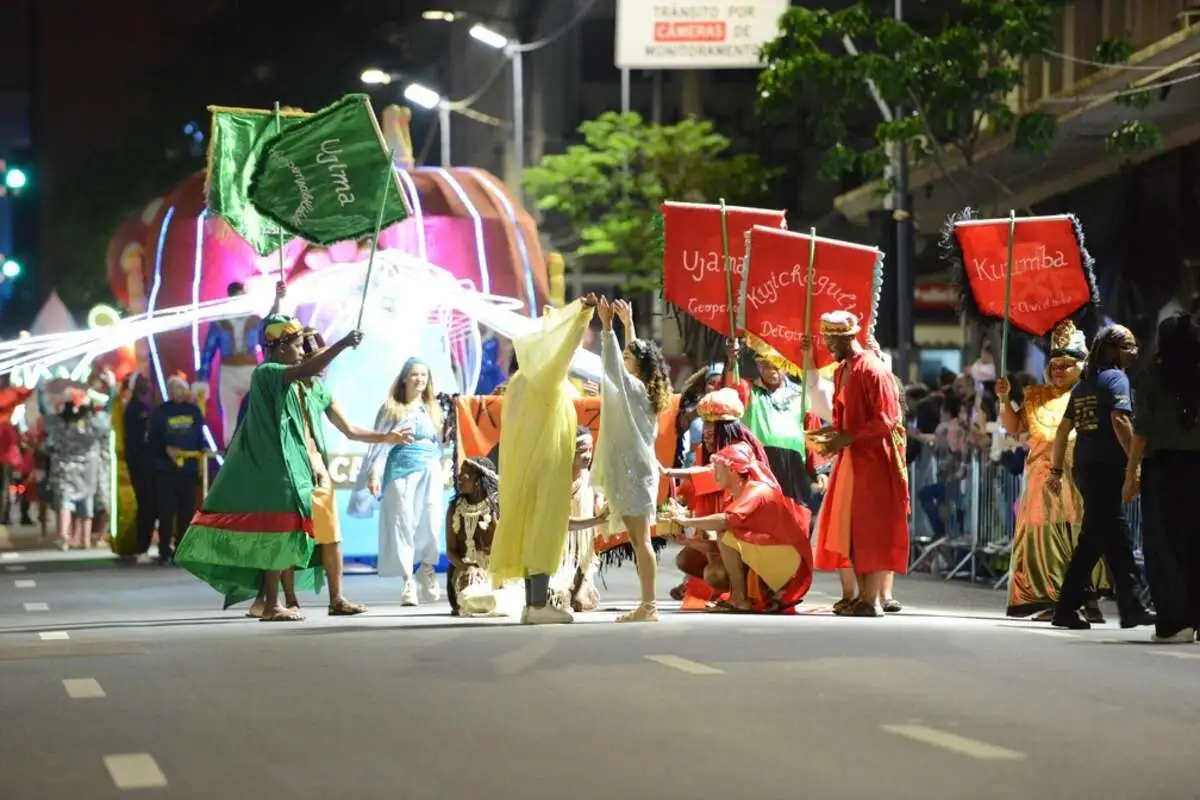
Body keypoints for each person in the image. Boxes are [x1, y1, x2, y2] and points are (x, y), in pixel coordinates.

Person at [176, 316, 402, 621]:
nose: (303, 352)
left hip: (311, 473)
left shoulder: (316, 390)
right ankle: (274, 603)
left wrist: (388, 437)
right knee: (278, 534)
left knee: (320, 536)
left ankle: (326, 599)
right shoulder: (268, 374)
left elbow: (348, 427)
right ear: (281, 348)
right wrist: (344, 344)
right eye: (297, 346)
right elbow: (301, 370)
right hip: (282, 472)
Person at [489, 295, 597, 625]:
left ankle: (532, 604)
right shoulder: (543, 380)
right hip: (547, 466)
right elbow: (565, 353)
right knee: (543, 531)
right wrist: (582, 317)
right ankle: (537, 607)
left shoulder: (519, 383)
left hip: (526, 470)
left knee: (531, 530)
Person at [998, 320, 1107, 622]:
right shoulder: (1035, 396)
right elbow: (1014, 427)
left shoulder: (1090, 393)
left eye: (1066, 364)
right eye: (1054, 364)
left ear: (1081, 366)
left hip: (1079, 477)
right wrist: (1005, 399)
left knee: (1082, 536)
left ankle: (1086, 597)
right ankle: (1051, 598)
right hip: (1041, 481)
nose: (1058, 370)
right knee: (1044, 537)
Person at [1048, 324, 1154, 630]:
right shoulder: (1116, 379)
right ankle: (1123, 607)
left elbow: (1063, 431)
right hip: (1107, 467)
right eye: (1129, 346)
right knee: (1110, 536)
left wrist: (1057, 470)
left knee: (1099, 538)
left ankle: (1075, 608)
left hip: (1086, 468)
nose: (1134, 352)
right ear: (1112, 349)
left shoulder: (1083, 386)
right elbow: (1120, 420)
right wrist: (1135, 464)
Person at [810, 311, 910, 617]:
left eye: (831, 339)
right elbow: (843, 420)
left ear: (848, 338)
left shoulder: (873, 370)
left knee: (872, 530)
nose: (827, 344)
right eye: (826, 337)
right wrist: (828, 435)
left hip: (876, 461)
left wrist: (847, 437)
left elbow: (887, 418)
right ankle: (863, 597)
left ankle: (871, 600)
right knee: (851, 530)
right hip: (852, 460)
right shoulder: (841, 372)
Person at [592, 297, 671, 623]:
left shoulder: (634, 389)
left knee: (641, 542)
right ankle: (647, 604)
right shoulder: (646, 389)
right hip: (638, 469)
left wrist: (608, 327)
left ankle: (648, 606)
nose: (625, 359)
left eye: (630, 357)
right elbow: (628, 361)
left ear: (639, 365)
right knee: (641, 541)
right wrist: (629, 326)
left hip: (635, 471)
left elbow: (612, 367)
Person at [1122, 314, 1200, 643]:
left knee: (1164, 547)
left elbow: (1141, 432)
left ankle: (1173, 622)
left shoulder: (1153, 376)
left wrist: (1131, 474)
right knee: (1195, 543)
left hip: (1164, 470)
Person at [669, 442, 813, 613]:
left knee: (723, 532)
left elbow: (726, 521)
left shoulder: (757, 489)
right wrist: (687, 541)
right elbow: (726, 546)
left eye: (717, 469)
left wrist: (687, 523)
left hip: (787, 564)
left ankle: (740, 599)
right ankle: (747, 596)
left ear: (732, 470)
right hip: (771, 556)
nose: (713, 474)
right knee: (711, 569)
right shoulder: (736, 495)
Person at [661, 388, 774, 602]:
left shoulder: (741, 460)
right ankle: (732, 592)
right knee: (689, 557)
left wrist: (669, 472)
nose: (707, 434)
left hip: (760, 549)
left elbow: (724, 519)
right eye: (705, 428)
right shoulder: (714, 457)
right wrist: (685, 534)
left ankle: (741, 596)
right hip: (731, 538)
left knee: (719, 550)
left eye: (713, 430)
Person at [353, 358, 444, 607]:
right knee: (402, 524)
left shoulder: (434, 408)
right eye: (415, 374)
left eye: (424, 374)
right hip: (400, 472)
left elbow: (441, 441)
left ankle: (426, 568)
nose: (420, 379)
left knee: (431, 522)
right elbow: (379, 444)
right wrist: (374, 474)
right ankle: (407, 583)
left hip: (430, 471)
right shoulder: (391, 409)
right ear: (405, 377)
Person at [724, 336, 813, 506]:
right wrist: (731, 360)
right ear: (758, 366)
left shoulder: (802, 396)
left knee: (795, 518)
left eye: (776, 366)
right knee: (763, 513)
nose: (772, 371)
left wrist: (818, 472)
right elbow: (731, 391)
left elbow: (812, 432)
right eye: (765, 366)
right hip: (761, 462)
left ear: (786, 367)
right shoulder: (749, 391)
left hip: (794, 467)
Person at [146, 376, 206, 564]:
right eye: (171, 388)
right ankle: (164, 551)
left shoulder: (194, 411)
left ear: (185, 390)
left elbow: (199, 437)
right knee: (166, 510)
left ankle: (182, 549)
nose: (174, 391)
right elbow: (152, 439)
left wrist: (202, 453)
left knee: (186, 511)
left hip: (188, 470)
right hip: (165, 470)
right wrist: (166, 448)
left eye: (178, 388)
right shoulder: (161, 412)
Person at [445, 457, 512, 617]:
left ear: (479, 480)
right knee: (473, 594)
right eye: (460, 473)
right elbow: (451, 552)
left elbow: (507, 546)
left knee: (505, 596)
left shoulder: (497, 506)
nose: (459, 477)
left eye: (465, 474)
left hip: (496, 569)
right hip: (466, 569)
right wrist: (468, 567)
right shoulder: (455, 508)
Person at [43, 391, 110, 550]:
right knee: (86, 504)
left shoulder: (59, 425)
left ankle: (64, 536)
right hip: (88, 471)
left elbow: (47, 433)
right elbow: (106, 424)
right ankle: (85, 540)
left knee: (65, 502)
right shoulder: (92, 426)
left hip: (65, 469)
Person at [122, 374, 158, 560]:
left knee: (148, 506)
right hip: (142, 465)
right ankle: (141, 547)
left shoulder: (139, 407)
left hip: (143, 464)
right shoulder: (137, 408)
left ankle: (143, 546)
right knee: (147, 506)